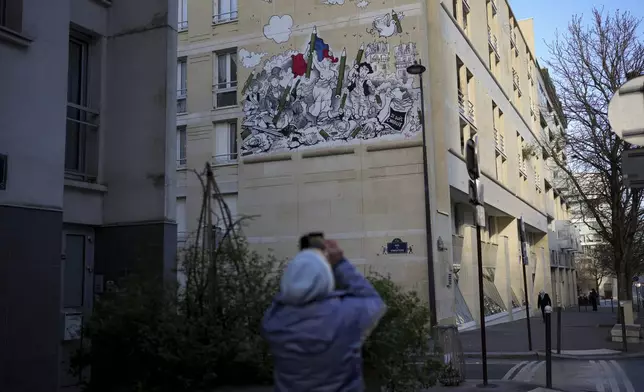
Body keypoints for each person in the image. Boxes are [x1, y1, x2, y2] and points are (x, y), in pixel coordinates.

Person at [262, 239, 386, 392]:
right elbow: (374, 301)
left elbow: (281, 300)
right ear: (325, 279)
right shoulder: (346, 315)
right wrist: (340, 263)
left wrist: (297, 277)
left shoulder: (273, 321)